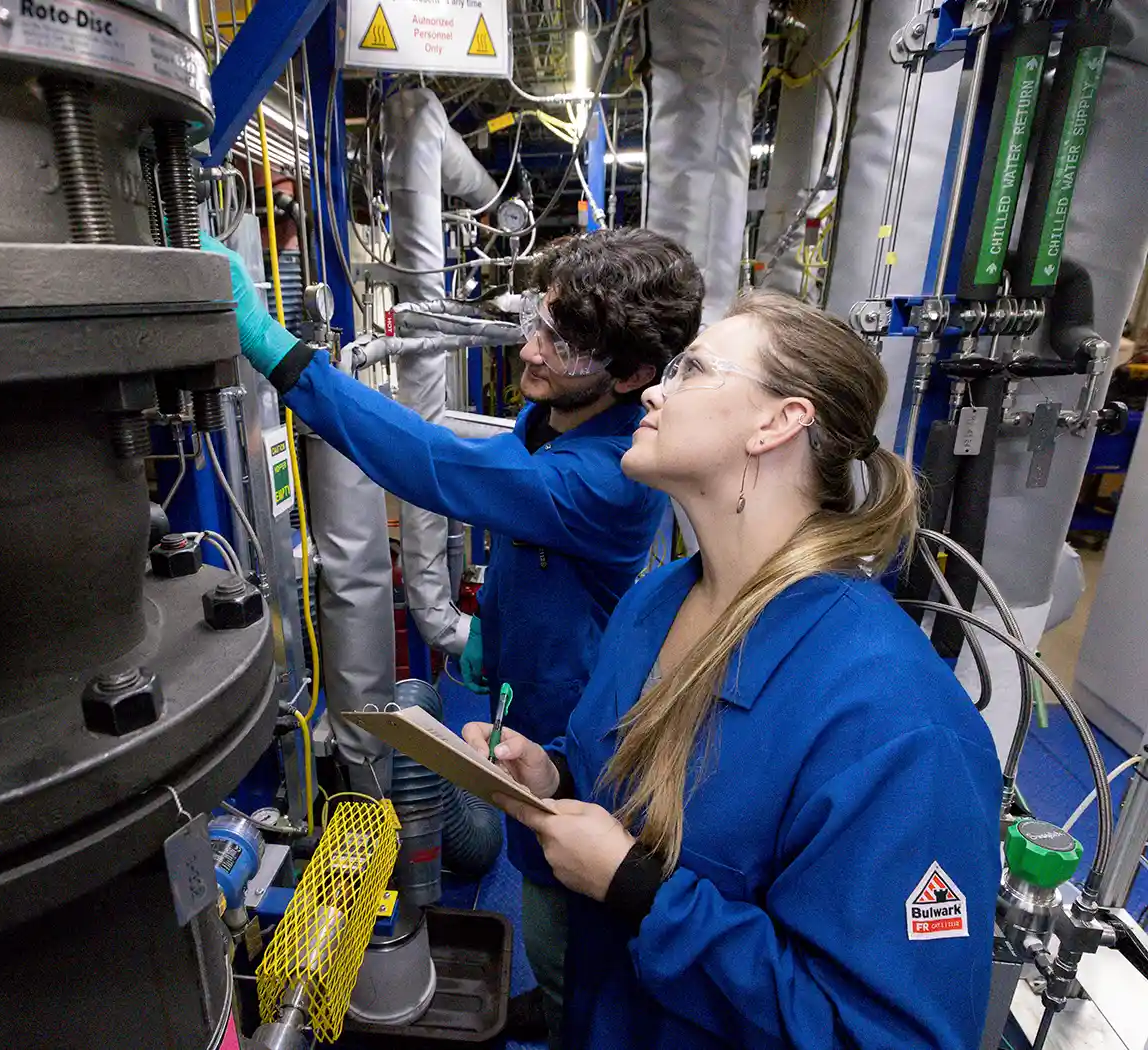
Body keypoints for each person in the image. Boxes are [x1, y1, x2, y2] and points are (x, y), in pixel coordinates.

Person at [203, 228, 704, 1042]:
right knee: (530, 865)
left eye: (565, 342)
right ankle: (554, 987)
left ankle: (573, 1007)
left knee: (558, 891)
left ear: (634, 375)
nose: (533, 351)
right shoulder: (553, 419)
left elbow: (435, 466)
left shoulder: (607, 478)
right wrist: (490, 630)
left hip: (580, 726)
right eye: (540, 321)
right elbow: (523, 537)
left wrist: (277, 351)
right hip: (528, 690)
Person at [464, 292, 1002, 1048]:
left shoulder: (896, 723)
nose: (653, 389)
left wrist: (641, 895)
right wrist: (556, 778)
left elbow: (886, 1035)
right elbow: (633, 785)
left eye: (692, 370)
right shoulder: (657, 600)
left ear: (779, 421)